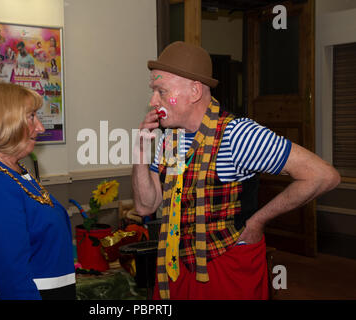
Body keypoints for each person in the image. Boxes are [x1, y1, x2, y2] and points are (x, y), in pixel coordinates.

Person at [132, 41, 341, 300]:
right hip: (176, 268)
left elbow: (323, 175)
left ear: (195, 91)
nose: (154, 101)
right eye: (154, 91)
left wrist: (258, 220)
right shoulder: (169, 138)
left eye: (161, 91)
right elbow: (145, 206)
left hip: (229, 269)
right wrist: (140, 151)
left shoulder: (237, 135)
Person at [0, 83, 75, 300]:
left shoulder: (12, 172)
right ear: (3, 123)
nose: (40, 128)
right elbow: (11, 279)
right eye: (31, 116)